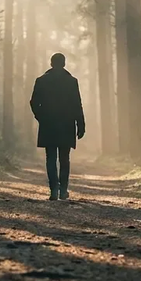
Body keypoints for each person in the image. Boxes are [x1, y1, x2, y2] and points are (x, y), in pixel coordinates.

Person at [30, 53, 86, 200]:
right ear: (64, 63)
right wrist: (81, 124)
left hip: (48, 124)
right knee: (64, 158)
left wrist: (41, 117)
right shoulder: (72, 81)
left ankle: (54, 189)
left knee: (50, 157)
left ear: (51, 63)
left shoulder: (41, 81)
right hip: (67, 124)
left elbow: (34, 102)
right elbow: (77, 104)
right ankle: (63, 190)